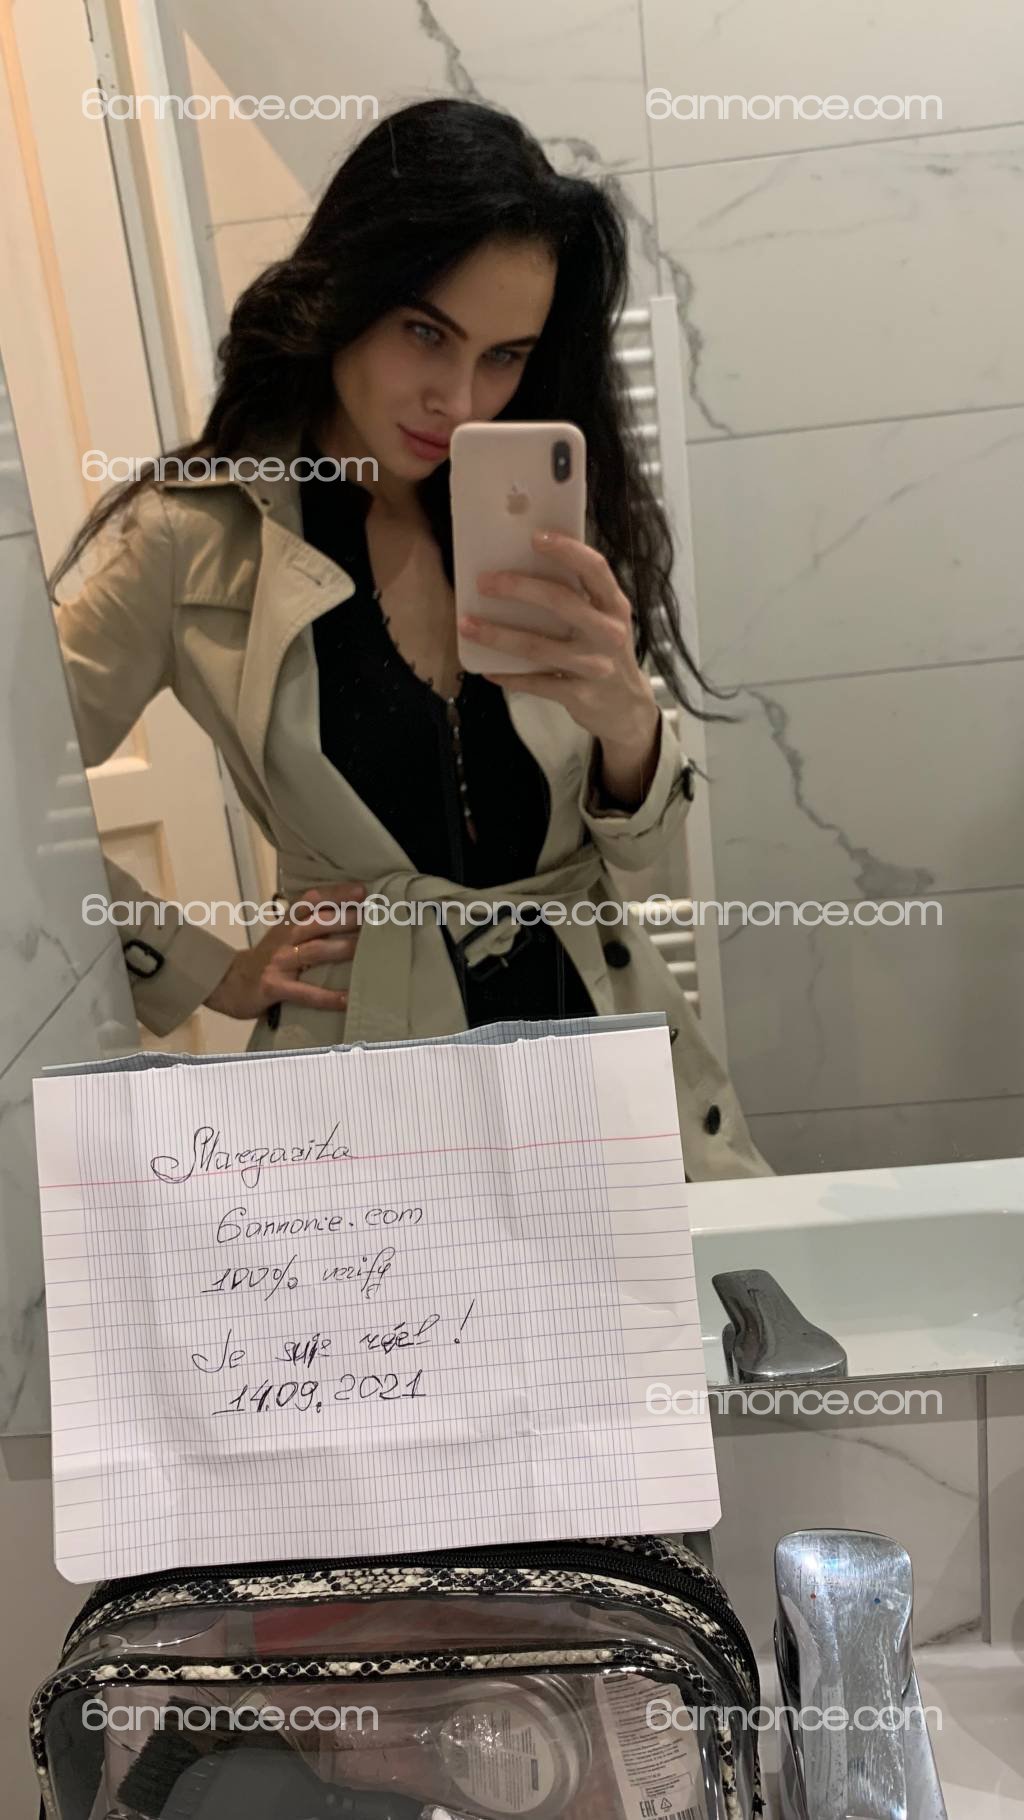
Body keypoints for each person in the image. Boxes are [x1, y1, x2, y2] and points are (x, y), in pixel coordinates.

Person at [49, 97, 770, 1182]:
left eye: (505, 354)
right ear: (346, 293)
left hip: (598, 1057)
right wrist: (203, 969)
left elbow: (647, 862)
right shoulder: (193, 538)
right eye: (425, 332)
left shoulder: (531, 510)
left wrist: (628, 721)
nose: (459, 399)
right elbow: (18, 807)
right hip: (366, 1084)